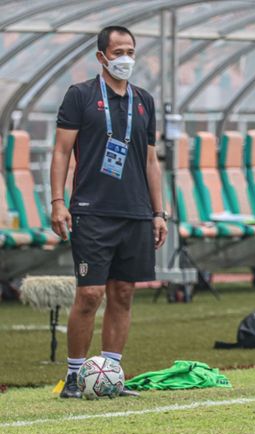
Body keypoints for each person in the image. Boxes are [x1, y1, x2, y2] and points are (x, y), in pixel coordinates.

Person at [50, 25, 168, 399]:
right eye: (117, 52)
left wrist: (159, 212)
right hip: (91, 211)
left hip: (135, 212)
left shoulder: (144, 101)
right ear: (101, 57)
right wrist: (57, 202)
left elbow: (151, 161)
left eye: (130, 51)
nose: (125, 59)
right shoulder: (80, 96)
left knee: (123, 293)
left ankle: (110, 374)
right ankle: (73, 376)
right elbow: (60, 152)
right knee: (90, 294)